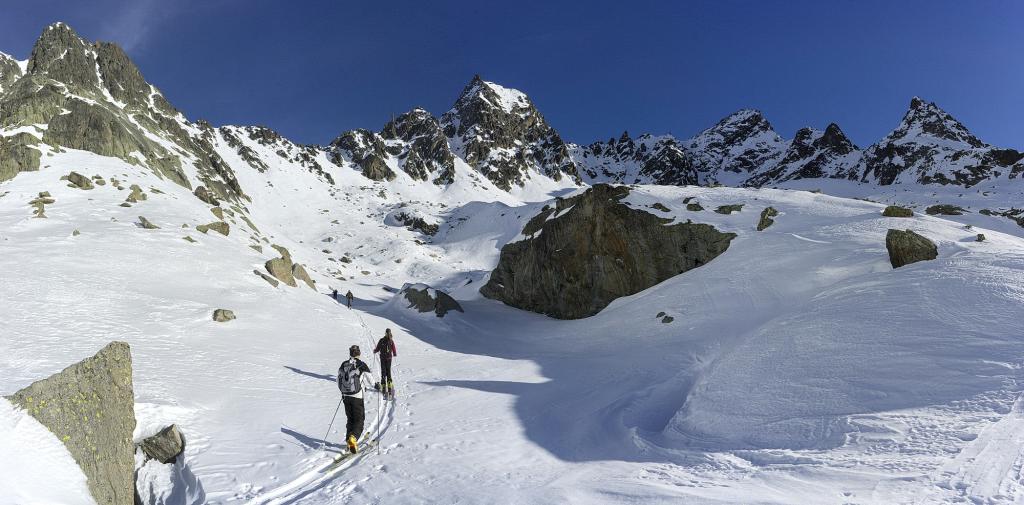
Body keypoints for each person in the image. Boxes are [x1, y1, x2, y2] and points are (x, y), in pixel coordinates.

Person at [338, 344, 375, 453]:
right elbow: (371, 381)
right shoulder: (361, 365)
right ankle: (353, 439)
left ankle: (348, 441)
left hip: (345, 396)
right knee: (359, 420)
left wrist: (344, 391)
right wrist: (378, 386)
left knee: (350, 419)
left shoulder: (343, 364)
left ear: (350, 353)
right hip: (357, 396)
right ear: (359, 353)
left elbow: (338, 379)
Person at [373, 328, 397, 399]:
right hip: (389, 358)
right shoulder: (391, 341)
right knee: (388, 372)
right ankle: (389, 389)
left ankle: (383, 388)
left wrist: (375, 351)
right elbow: (394, 348)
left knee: (383, 372)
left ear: (385, 333)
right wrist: (394, 353)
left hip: (383, 358)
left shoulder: (382, 340)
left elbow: (378, 348)